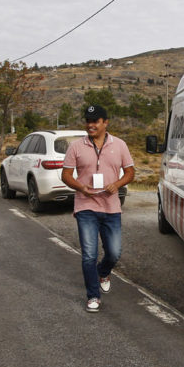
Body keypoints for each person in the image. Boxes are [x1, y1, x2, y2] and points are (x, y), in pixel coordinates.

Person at [61, 104, 135, 312]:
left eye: (95, 121)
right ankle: (93, 295)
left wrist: (117, 185)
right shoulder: (76, 146)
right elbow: (65, 175)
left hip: (111, 207)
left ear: (105, 123)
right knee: (88, 255)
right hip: (86, 206)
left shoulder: (119, 145)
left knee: (114, 252)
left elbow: (130, 173)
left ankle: (103, 271)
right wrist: (81, 187)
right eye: (88, 121)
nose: (90, 125)